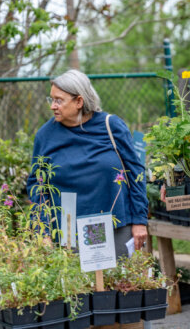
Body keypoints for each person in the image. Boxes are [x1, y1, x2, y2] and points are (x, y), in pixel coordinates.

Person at [27, 69, 148, 257]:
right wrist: (42, 231)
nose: (52, 106)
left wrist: (140, 220)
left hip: (114, 224)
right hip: (68, 229)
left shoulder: (111, 126)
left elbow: (136, 173)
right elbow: (38, 185)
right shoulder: (46, 136)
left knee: (115, 282)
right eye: (51, 99)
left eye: (59, 100)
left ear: (79, 102)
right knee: (79, 285)